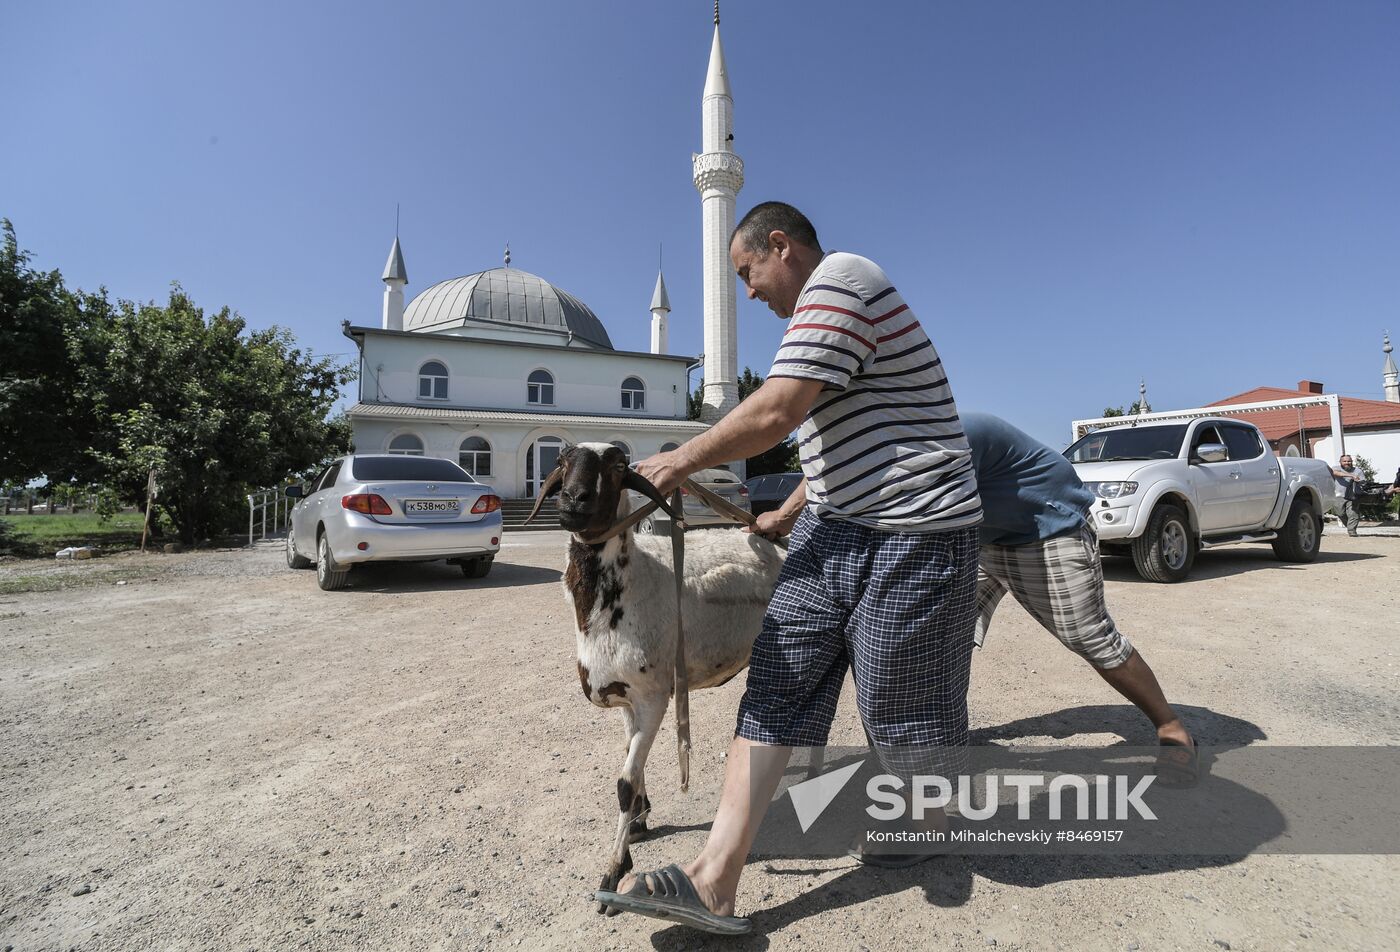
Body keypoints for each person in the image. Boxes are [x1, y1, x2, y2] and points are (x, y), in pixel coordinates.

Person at [597, 202, 982, 934]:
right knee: (776, 678)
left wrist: (680, 459)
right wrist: (794, 509)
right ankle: (715, 880)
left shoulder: (842, 280)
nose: (748, 293)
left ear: (781, 246)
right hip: (834, 530)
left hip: (917, 530)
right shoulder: (817, 330)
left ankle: (928, 817)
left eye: (749, 273)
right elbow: (832, 437)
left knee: (900, 713)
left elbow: (775, 414)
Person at [1329, 454, 1364, 536]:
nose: (1347, 463)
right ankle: (1349, 526)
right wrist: (1350, 475)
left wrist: (1357, 480)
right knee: (1340, 513)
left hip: (1353, 496)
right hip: (1338, 495)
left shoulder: (1358, 471)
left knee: (1353, 513)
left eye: (1349, 461)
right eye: (1344, 461)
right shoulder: (1336, 468)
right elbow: (1335, 473)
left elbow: (1363, 482)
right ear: (1340, 462)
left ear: (1351, 462)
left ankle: (1352, 531)